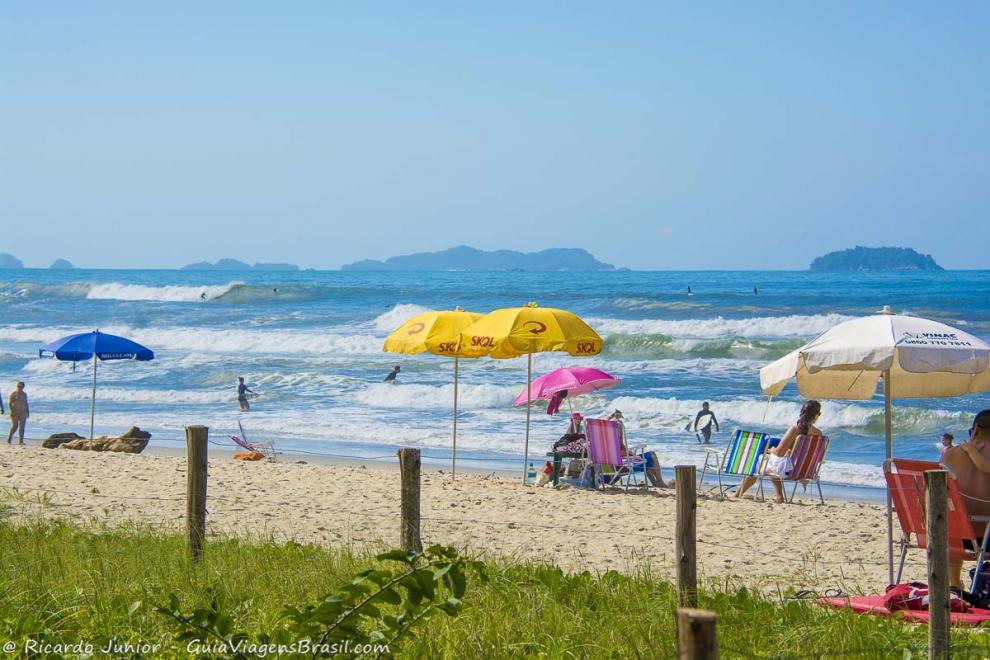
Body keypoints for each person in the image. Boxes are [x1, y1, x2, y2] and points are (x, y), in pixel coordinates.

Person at [736, 400, 822, 503]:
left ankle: (738, 495)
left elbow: (779, 452)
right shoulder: (819, 434)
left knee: (759, 462)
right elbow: (819, 456)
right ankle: (778, 495)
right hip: (805, 470)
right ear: (816, 415)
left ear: (802, 412)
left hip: (789, 470)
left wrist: (772, 450)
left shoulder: (795, 429)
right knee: (773, 463)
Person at [941, 410, 990, 588]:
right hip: (987, 539)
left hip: (954, 539)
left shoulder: (950, 454)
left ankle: (954, 586)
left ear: (976, 429)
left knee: (953, 518)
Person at [609, 410, 668, 488]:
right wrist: (628, 453)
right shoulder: (617, 437)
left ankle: (655, 483)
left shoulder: (602, 443)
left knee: (642, 458)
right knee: (651, 456)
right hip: (621, 468)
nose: (620, 431)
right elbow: (620, 453)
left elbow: (620, 449)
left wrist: (629, 453)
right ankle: (660, 482)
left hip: (608, 469)